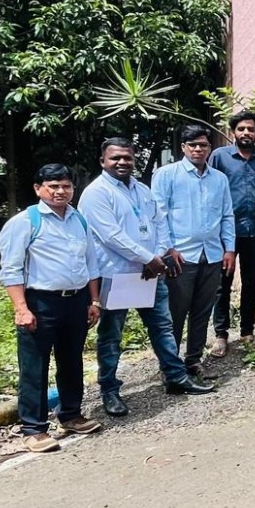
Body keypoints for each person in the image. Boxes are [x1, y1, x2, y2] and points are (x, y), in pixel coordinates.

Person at [80, 138, 214, 417]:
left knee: (162, 326)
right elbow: (111, 235)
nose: (122, 162)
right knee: (112, 336)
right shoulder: (96, 193)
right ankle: (109, 391)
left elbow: (159, 223)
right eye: (115, 158)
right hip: (116, 275)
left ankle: (175, 377)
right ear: (103, 161)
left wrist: (159, 254)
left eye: (127, 158)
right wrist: (147, 258)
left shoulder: (142, 189)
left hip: (149, 272)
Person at [0, 164, 103, 452]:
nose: (60, 191)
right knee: (35, 366)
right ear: (38, 189)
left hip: (77, 301)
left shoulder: (79, 220)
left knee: (72, 361)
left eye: (66, 186)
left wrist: (94, 301)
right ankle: (34, 429)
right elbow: (11, 270)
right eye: (53, 186)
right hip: (40, 302)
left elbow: (91, 264)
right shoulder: (25, 222)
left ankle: (71, 415)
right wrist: (21, 309)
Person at [152, 125, 235, 377]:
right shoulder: (167, 175)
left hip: (212, 254)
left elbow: (227, 215)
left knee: (202, 311)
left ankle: (193, 360)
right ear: (183, 147)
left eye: (203, 145)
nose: (198, 149)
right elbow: (158, 216)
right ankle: (170, 366)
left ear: (210, 148)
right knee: (175, 313)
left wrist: (229, 249)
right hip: (180, 256)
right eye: (193, 145)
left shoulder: (219, 179)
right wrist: (168, 248)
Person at [208, 112, 255, 358]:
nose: (246, 133)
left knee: (250, 283)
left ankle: (247, 332)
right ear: (234, 132)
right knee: (222, 284)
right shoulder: (219, 157)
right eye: (241, 129)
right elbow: (210, 189)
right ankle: (221, 335)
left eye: (250, 129)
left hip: (254, 231)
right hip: (225, 231)